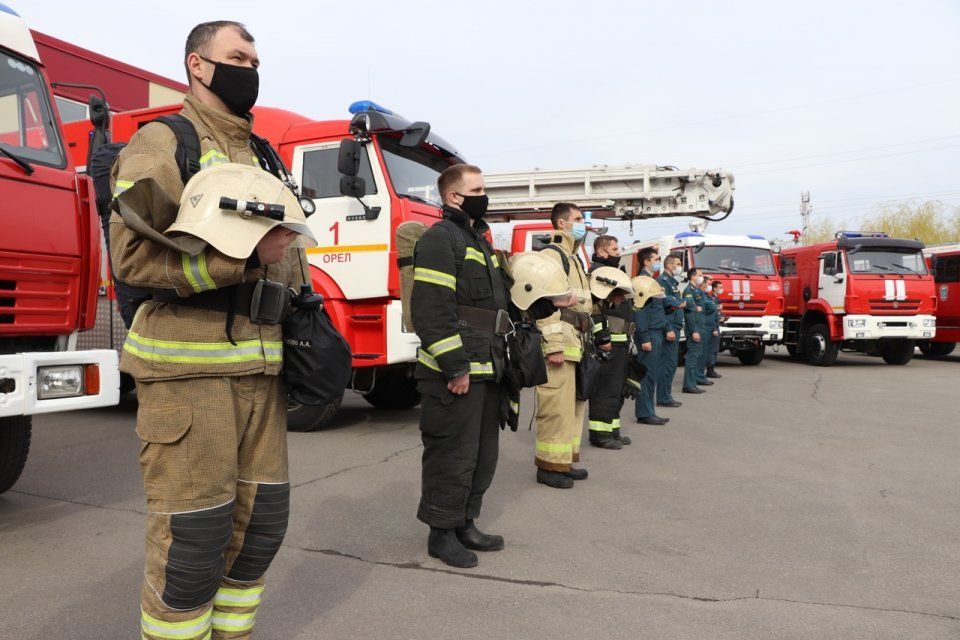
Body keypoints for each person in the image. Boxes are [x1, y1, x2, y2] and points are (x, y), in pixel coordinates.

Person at [110, 22, 305, 640]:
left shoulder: (263, 153)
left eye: (255, 61)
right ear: (197, 64)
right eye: (237, 58)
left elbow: (289, 260)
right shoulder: (162, 141)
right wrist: (242, 262)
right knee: (193, 539)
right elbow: (131, 260)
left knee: (260, 529)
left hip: (261, 369)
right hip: (187, 371)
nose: (250, 70)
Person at [411, 164, 512, 568]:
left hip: (488, 366)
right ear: (454, 197)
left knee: (481, 454)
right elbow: (432, 309)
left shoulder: (478, 240)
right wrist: (454, 366)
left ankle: (466, 522)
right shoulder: (440, 238)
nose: (484, 197)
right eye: (478, 190)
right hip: (456, 372)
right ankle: (441, 533)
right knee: (452, 453)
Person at [534, 203, 593, 489]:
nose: (583, 224)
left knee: (572, 408)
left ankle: (564, 461)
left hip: (575, 342)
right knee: (555, 408)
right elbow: (544, 305)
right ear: (561, 224)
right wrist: (553, 344)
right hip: (560, 343)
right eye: (578, 219)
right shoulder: (552, 256)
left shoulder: (572, 257)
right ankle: (548, 467)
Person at [587, 261, 635, 449]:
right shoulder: (598, 288)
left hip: (619, 347)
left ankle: (612, 430)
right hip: (608, 348)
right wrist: (603, 338)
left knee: (616, 391)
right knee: (605, 391)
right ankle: (600, 435)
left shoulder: (610, 282)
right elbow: (595, 317)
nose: (622, 298)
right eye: (620, 294)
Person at [633, 247, 669, 425]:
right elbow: (640, 312)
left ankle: (649, 410)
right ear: (646, 261)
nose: (658, 262)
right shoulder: (643, 282)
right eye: (656, 259)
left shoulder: (651, 281)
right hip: (649, 335)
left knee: (652, 374)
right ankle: (644, 413)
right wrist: (645, 338)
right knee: (647, 376)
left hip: (657, 333)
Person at [656, 254, 685, 409]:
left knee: (671, 364)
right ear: (669, 265)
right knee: (667, 364)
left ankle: (666, 395)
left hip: (675, 326)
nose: (680, 267)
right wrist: (668, 328)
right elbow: (661, 308)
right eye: (678, 264)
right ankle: (663, 397)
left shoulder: (672, 282)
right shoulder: (662, 281)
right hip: (669, 327)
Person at [681, 267, 710, 394]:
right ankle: (688, 385)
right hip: (695, 328)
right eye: (700, 275)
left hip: (700, 327)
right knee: (692, 357)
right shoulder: (689, 290)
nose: (701, 277)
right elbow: (689, 313)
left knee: (696, 356)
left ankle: (693, 383)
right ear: (693, 276)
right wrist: (694, 330)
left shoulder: (696, 290)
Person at [706, 280, 725, 378]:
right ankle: (710, 369)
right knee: (712, 349)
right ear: (714, 288)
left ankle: (711, 369)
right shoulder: (711, 299)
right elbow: (711, 314)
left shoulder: (716, 299)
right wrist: (714, 328)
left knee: (714, 348)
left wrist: (723, 317)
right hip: (713, 326)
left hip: (716, 325)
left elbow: (717, 313)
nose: (722, 289)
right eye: (720, 287)